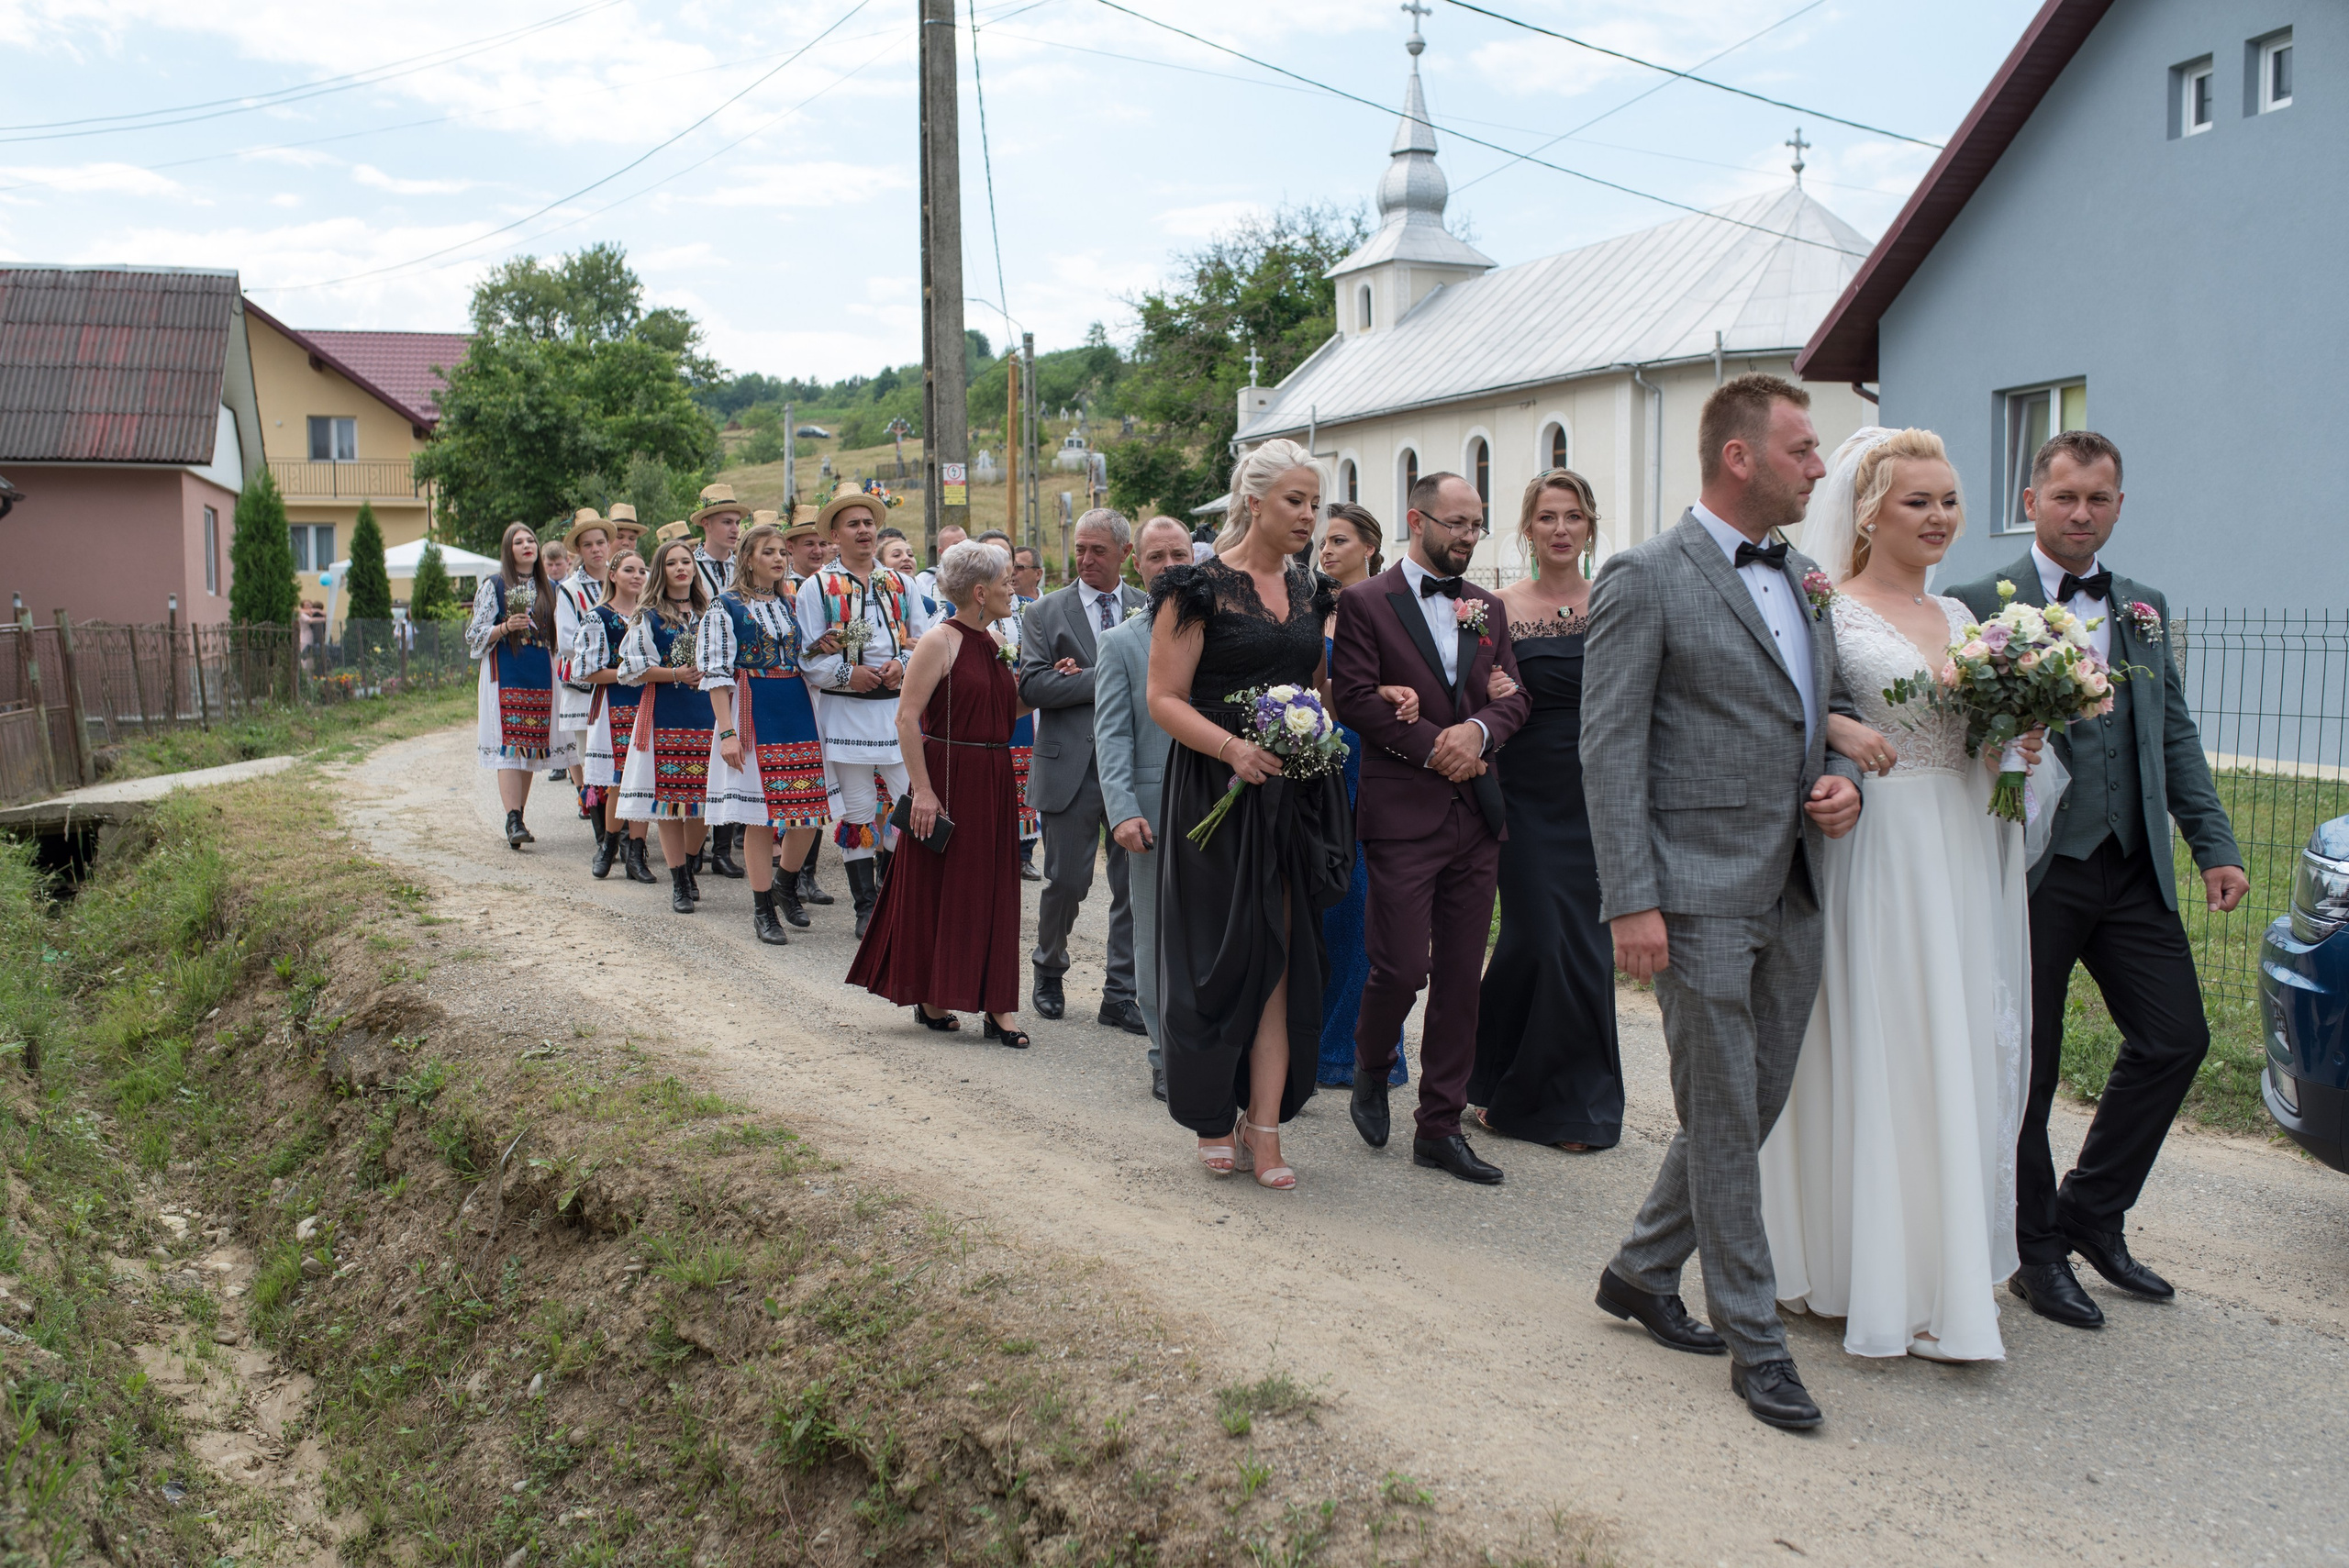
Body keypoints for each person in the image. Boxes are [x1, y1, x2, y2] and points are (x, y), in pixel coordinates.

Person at [1581, 373, 1865, 1432]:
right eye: (1802, 448)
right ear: (1739, 456)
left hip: (1792, 878)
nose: (1820, 466)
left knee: (1747, 1103)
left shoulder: (1804, 576)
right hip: (1690, 891)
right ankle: (1756, 1341)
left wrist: (1843, 778)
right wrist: (1631, 899)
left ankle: (1640, 1269)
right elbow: (1608, 748)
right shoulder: (1644, 575)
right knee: (1726, 1115)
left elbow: (1830, 706)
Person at [1947, 429, 2246, 1330]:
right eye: (2066, 496)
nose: (2082, 513)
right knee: (2029, 1067)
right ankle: (2034, 1249)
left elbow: (2174, 732)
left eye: (2099, 498)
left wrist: (2213, 842)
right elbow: (1954, 733)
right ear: (2031, 501)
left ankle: (2091, 1209)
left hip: (2130, 862)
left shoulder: (2144, 608)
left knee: (2175, 1037)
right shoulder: (1974, 602)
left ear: (2118, 505)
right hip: (2032, 866)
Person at [1758, 427, 2037, 1362]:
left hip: (1958, 848)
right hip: (1872, 847)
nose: (1939, 517)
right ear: (1869, 512)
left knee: (1947, 1046)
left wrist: (2017, 743)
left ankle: (1933, 1272)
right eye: (1918, 501)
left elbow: (1982, 749)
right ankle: (1854, 1269)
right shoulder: (1825, 608)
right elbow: (1779, 710)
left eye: (1949, 500)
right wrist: (1839, 727)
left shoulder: (1965, 617)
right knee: (1875, 1042)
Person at [1150, 441, 1353, 1189]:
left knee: (1282, 957)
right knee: (1217, 956)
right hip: (1215, 789)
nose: (1308, 516)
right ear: (1255, 500)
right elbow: (1163, 698)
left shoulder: (1314, 590)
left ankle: (1264, 1126)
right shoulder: (1195, 588)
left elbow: (1322, 689)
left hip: (1292, 796)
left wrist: (1339, 719)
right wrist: (1233, 748)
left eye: (1315, 503)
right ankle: (1212, 1111)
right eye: (1296, 501)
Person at [1330, 472, 1532, 1186]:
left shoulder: (1487, 607)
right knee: (1399, 967)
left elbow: (1516, 697)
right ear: (1417, 521)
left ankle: (1439, 1126)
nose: (1469, 536)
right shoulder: (1366, 601)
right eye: (1457, 524)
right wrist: (1438, 750)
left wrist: (1479, 732)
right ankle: (1371, 1060)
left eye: (1477, 524)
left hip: (1477, 814)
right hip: (1402, 816)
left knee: (1459, 977)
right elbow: (1354, 698)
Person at [1472, 471, 1622, 1152]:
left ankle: (1573, 1105)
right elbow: (1463, 694)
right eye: (1548, 517)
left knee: (1586, 945)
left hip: (1598, 794)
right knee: (1537, 938)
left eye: (1574, 517)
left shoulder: (1615, 602)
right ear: (1527, 529)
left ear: (1590, 528)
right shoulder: (1496, 608)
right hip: (1526, 793)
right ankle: (1500, 1076)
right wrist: (1490, 688)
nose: (1561, 529)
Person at [848, 540, 1031, 1048]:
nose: (1012, 589)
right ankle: (931, 998)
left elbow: (1001, 708)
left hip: (993, 774)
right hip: (947, 777)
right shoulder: (938, 641)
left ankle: (997, 1006)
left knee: (993, 889)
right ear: (980, 592)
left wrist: (1048, 686)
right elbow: (906, 718)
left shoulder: (997, 639)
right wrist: (923, 791)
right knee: (941, 887)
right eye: (1005, 582)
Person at [1019, 508, 1149, 1029]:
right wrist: (1107, 675)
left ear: (1125, 554)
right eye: (1080, 549)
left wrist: (1079, 677)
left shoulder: (1148, 607)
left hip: (1133, 768)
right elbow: (1032, 686)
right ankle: (1049, 967)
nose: (1087, 559)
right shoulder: (1044, 612)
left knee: (1132, 886)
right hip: (1070, 769)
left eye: (1099, 550)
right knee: (1066, 882)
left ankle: (1120, 993)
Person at [796, 484, 932, 937]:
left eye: (869, 523)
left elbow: (923, 640)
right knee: (857, 808)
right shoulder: (816, 587)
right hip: (845, 711)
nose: (863, 531)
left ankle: (896, 896)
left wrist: (903, 664)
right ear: (834, 535)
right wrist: (846, 674)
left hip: (896, 712)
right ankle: (866, 906)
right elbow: (808, 656)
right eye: (852, 524)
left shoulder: (902, 583)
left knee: (907, 800)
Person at [1096, 517, 1196, 1100]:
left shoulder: (1221, 629)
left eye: (1178, 554)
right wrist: (1122, 810)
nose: (1169, 566)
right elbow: (1111, 735)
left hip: (1225, 805)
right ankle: (1165, 1054)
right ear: (1138, 564)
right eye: (1156, 557)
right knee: (1156, 936)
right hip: (1153, 811)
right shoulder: (1120, 642)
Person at [1312, 504, 1410, 1094]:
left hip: (1377, 764)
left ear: (1370, 547)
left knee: (1369, 907)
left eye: (1340, 540)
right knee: (1328, 906)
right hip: (1319, 767)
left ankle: (1362, 1050)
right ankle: (1317, 1042)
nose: (1326, 551)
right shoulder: (1310, 610)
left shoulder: (1391, 608)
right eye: (1323, 542)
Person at [701, 520, 829, 943]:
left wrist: (820, 646)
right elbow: (717, 673)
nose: (779, 559)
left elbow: (798, 655)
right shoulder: (725, 606)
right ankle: (762, 909)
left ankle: (785, 883)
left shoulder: (789, 603)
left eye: (782, 553)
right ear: (748, 558)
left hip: (795, 704)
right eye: (769, 552)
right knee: (760, 817)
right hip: (753, 706)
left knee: (809, 810)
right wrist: (727, 733)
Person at [617, 539, 718, 914]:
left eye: (686, 561)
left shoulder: (711, 611)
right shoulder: (648, 615)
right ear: (661, 570)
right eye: (672, 563)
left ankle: (689, 863)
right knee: (670, 803)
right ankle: (678, 880)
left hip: (708, 713)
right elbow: (631, 668)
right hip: (667, 714)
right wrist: (676, 673)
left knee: (706, 802)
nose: (681, 568)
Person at [468, 521, 581, 849]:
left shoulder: (551, 589)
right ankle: (512, 818)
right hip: (506, 669)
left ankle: (519, 816)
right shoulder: (494, 585)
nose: (527, 545)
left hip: (540, 671)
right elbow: (475, 636)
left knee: (530, 745)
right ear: (509, 549)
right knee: (509, 745)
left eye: (531, 540)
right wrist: (505, 627)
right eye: (519, 542)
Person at [577, 547, 659, 884]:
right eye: (629, 570)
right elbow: (587, 671)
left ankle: (636, 854)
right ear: (612, 575)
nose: (637, 576)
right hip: (614, 705)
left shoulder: (651, 615)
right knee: (617, 781)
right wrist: (631, 673)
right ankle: (609, 844)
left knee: (641, 780)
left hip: (648, 703)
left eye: (642, 571)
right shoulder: (598, 617)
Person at [780, 505, 841, 912]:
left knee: (817, 782)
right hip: (793, 692)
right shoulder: (783, 589)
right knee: (796, 782)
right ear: (790, 547)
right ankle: (789, 871)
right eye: (808, 544)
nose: (817, 550)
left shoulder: (833, 585)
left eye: (821, 543)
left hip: (826, 690)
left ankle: (808, 874)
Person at [554, 508, 616, 817]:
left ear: (609, 545)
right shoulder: (569, 589)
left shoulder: (623, 579)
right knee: (590, 753)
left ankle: (626, 829)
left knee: (622, 751)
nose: (596, 550)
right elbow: (566, 641)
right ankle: (602, 829)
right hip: (585, 686)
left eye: (600, 543)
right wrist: (609, 652)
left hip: (621, 682)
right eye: (588, 544)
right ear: (578, 549)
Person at [991, 554, 1044, 882]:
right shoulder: (957, 610)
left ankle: (1024, 854)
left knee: (1024, 775)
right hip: (986, 701)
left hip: (1021, 702)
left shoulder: (1028, 609)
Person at [914, 523, 968, 606]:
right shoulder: (924, 579)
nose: (963, 549)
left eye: (966, 543)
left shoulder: (980, 573)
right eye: (956, 545)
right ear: (941, 552)